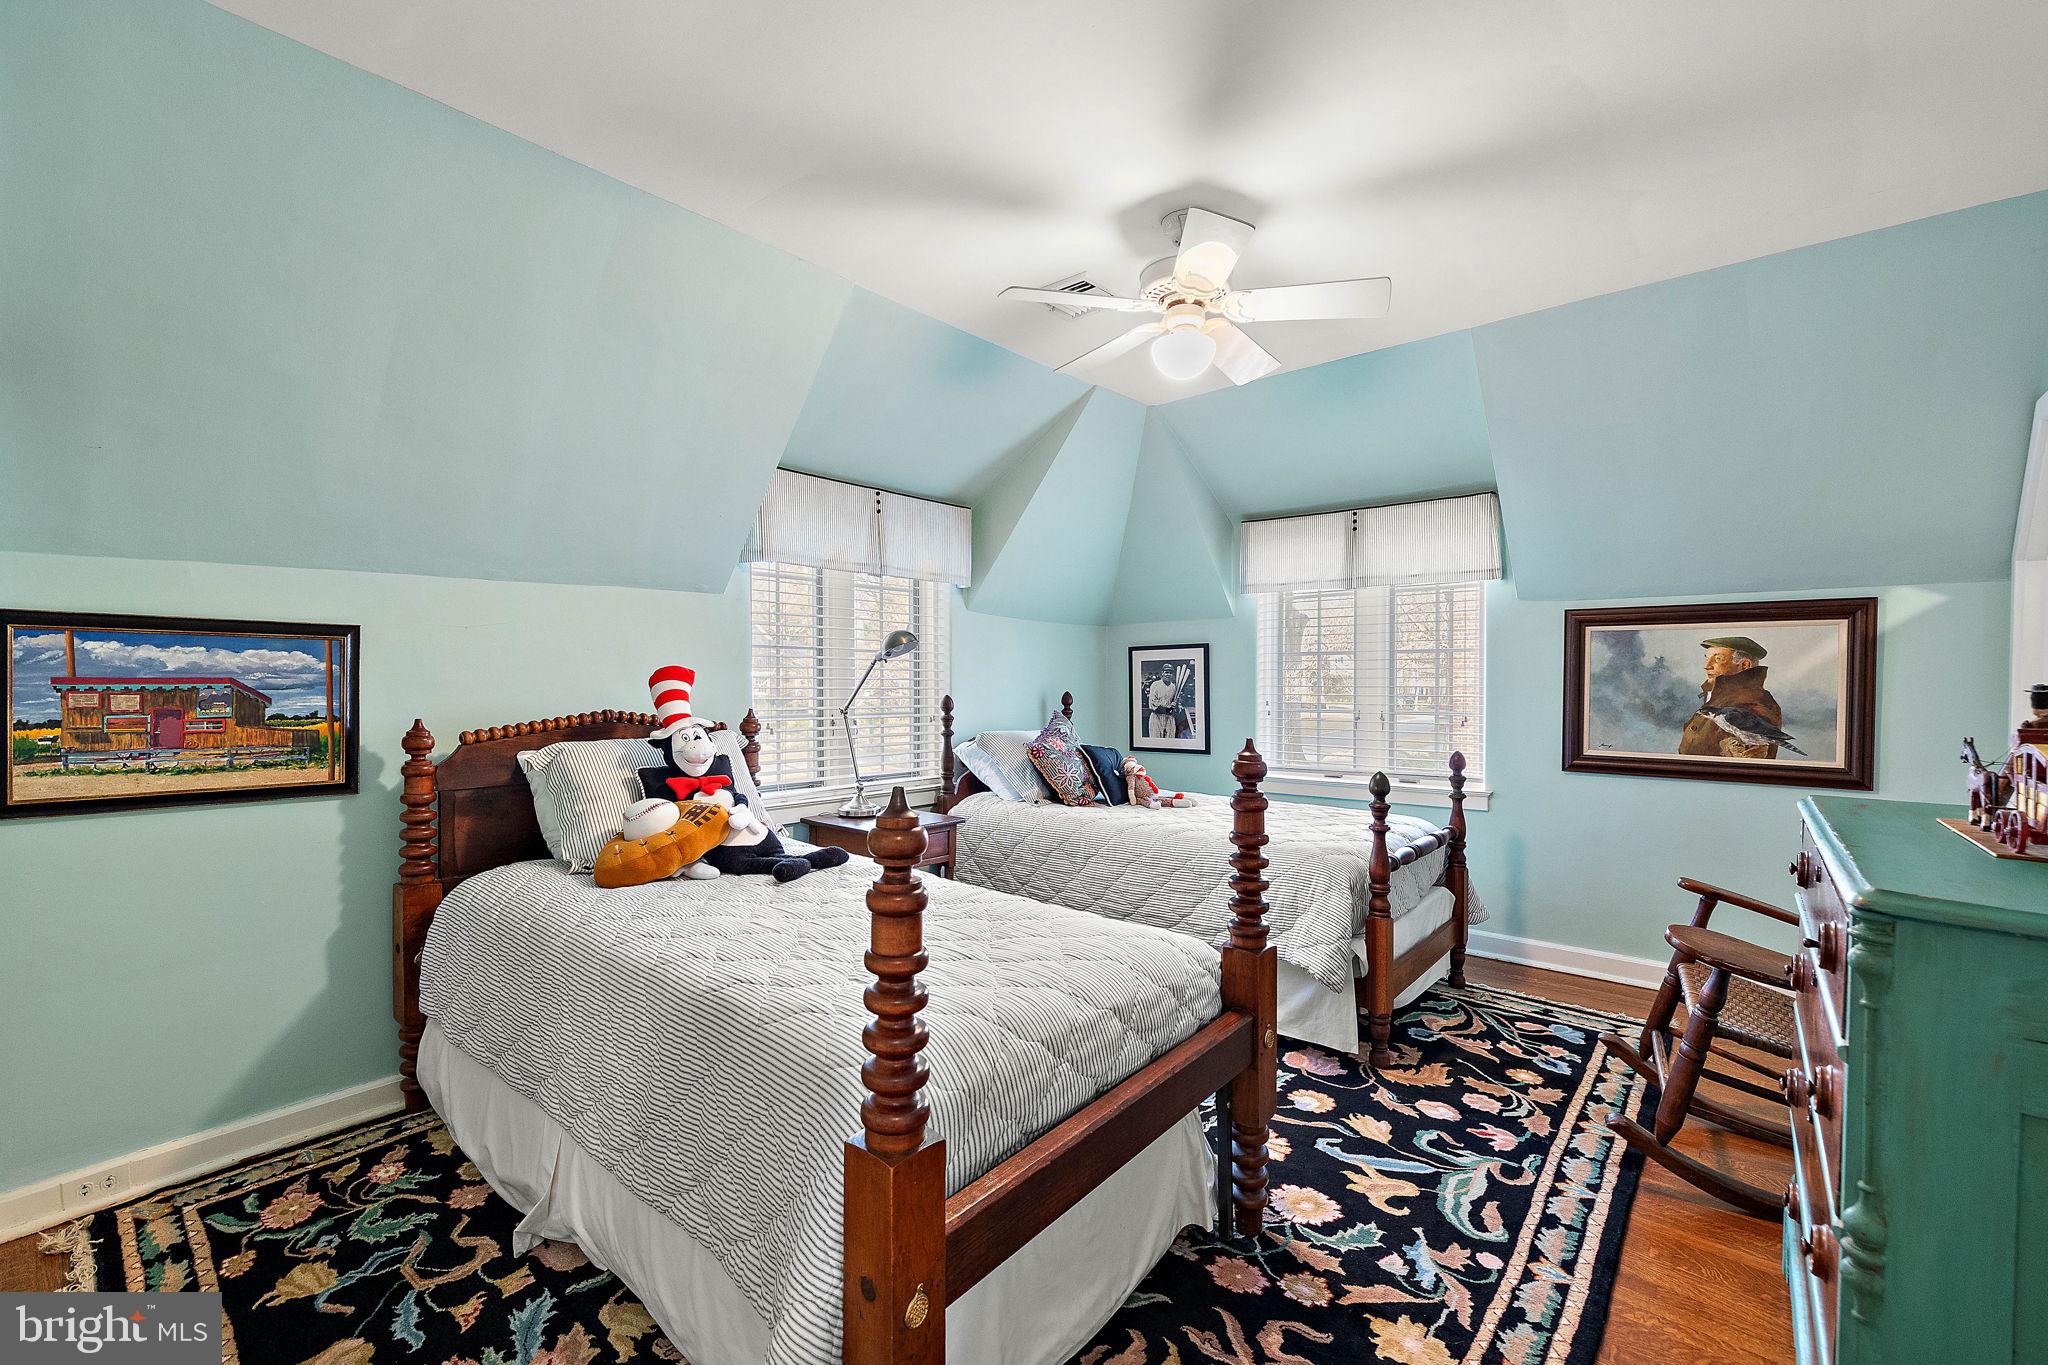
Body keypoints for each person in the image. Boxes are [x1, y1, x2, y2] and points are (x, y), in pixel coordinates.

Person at [1678, 636, 1785, 758]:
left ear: (1744, 665)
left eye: (1718, 659)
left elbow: (1752, 757)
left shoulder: (1755, 701)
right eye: (1707, 658)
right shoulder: (1720, 695)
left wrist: (1733, 750)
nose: (1707, 666)